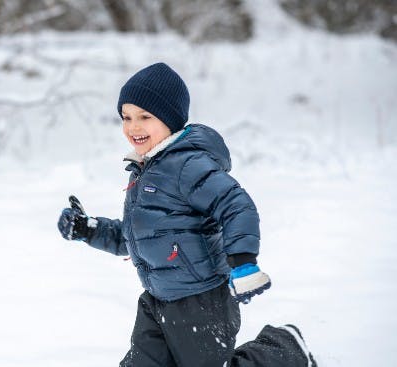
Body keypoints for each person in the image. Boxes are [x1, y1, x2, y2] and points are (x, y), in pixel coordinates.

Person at [57, 62, 316, 367]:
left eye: (145, 117)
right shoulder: (144, 170)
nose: (133, 127)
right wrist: (89, 229)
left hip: (201, 301)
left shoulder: (187, 165)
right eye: (126, 117)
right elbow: (136, 236)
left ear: (170, 120)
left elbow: (236, 205)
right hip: (156, 300)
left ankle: (282, 349)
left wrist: (243, 261)